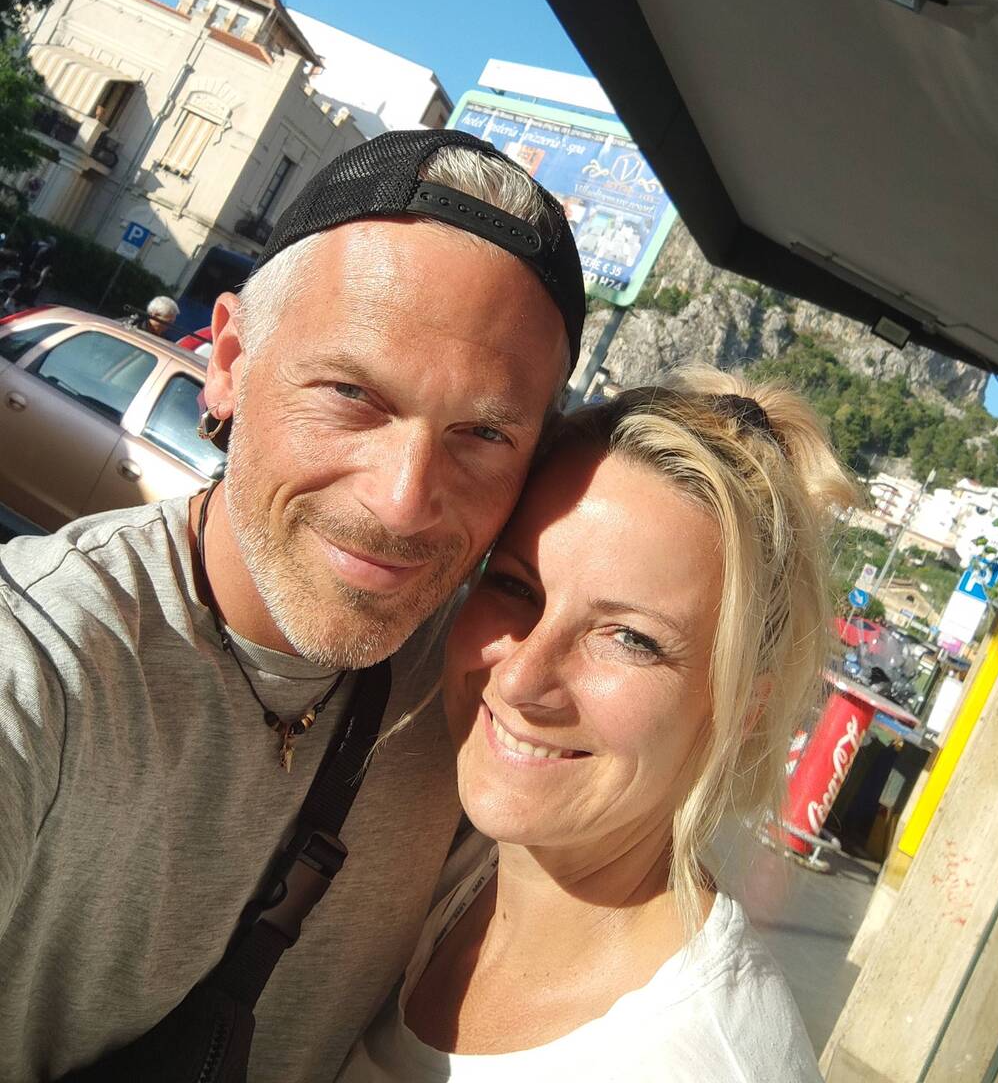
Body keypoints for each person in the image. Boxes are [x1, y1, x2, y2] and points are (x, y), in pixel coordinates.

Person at [0, 129, 584, 1082]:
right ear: (230, 360)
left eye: (482, 435)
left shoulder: (485, 699)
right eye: (352, 393)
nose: (402, 501)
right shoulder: (44, 661)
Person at [340, 369, 858, 1081]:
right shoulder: (457, 875)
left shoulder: (697, 1062)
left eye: (631, 639)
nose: (521, 678)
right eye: (515, 585)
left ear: (744, 712)